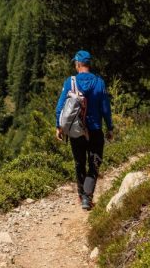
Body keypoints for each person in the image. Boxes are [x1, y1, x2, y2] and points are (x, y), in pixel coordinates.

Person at [55, 49, 113, 210]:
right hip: (95, 130)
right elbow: (105, 109)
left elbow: (60, 107)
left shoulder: (70, 82)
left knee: (79, 163)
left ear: (78, 64)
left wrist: (59, 127)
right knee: (94, 163)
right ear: (88, 64)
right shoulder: (99, 83)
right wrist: (109, 128)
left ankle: (82, 196)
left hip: (76, 130)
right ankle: (87, 197)